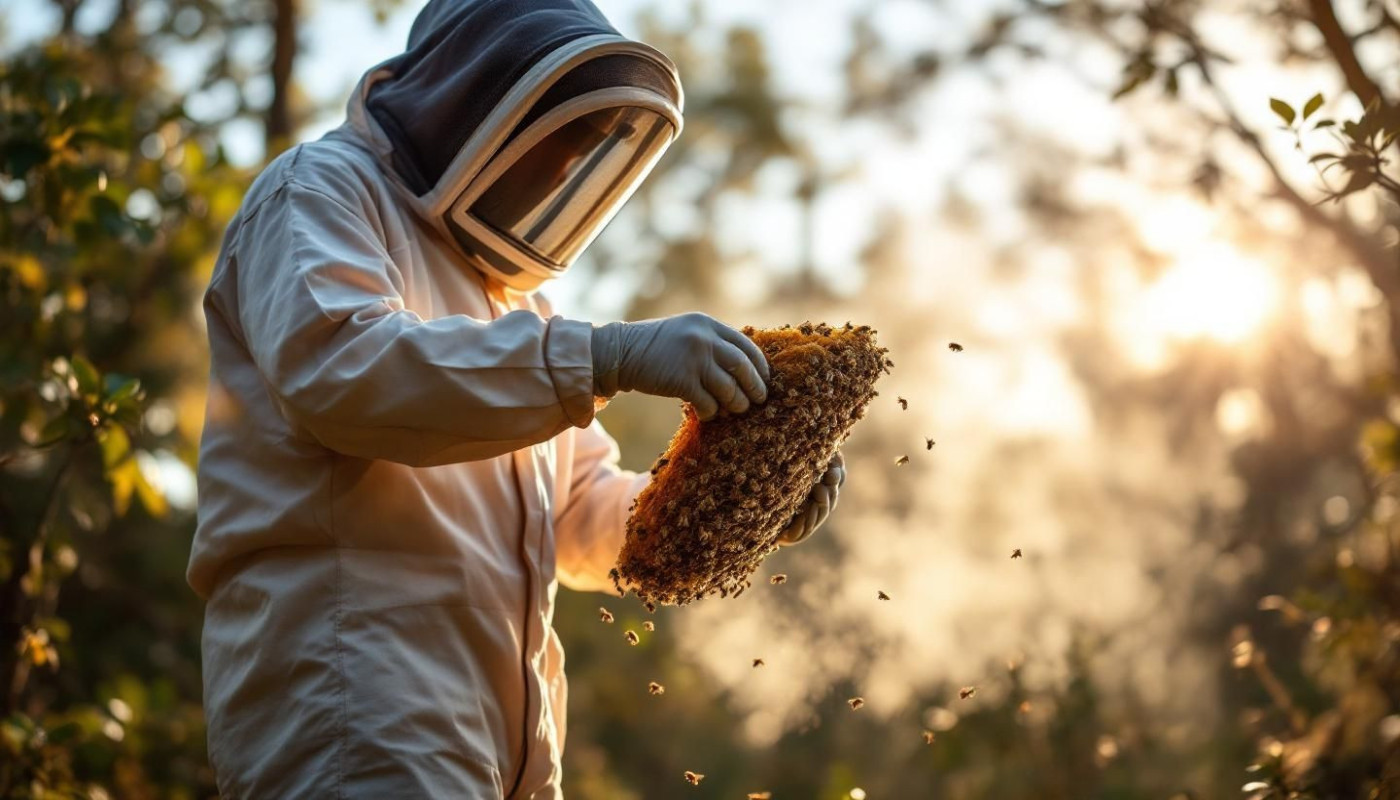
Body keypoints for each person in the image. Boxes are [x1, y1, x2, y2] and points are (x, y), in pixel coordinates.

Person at [187, 0, 846, 796]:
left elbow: (575, 520)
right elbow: (343, 370)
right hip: (351, 709)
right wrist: (606, 356)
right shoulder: (319, 195)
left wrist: (736, 501)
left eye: (585, 151)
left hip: (502, 748)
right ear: (475, 102)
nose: (567, 173)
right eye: (560, 140)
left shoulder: (516, 306)